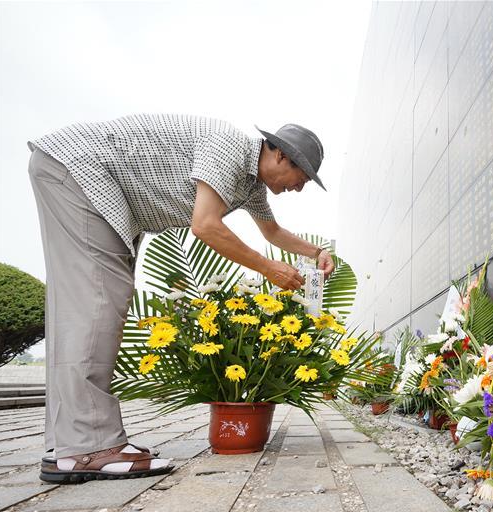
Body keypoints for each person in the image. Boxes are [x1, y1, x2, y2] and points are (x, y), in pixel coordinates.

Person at [27, 114, 334, 483]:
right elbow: (205, 224)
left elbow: (272, 232)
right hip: (80, 171)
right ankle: (86, 448)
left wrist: (315, 253)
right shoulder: (231, 147)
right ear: (282, 155)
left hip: (72, 172)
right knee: (96, 302)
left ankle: (67, 443)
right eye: (302, 179)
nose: (299, 189)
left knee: (84, 305)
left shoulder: (251, 185)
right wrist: (271, 270)